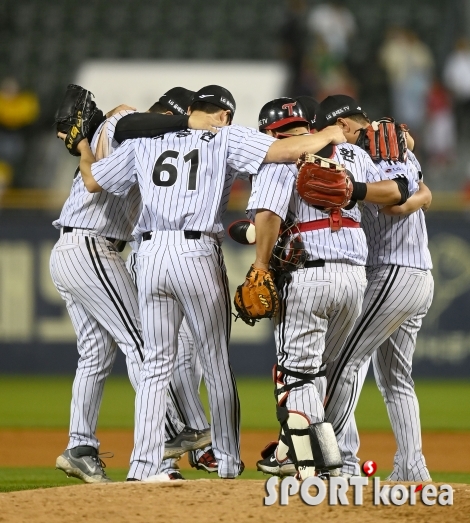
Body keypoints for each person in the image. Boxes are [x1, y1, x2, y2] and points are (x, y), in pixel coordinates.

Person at [70, 85, 355, 481]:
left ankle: (144, 466)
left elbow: (92, 181)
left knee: (155, 366)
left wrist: (83, 143)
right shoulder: (225, 135)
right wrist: (328, 135)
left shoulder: (146, 140)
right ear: (224, 115)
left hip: (148, 254)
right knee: (216, 363)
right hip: (197, 252)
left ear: (191, 109)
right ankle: (227, 462)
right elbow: (285, 152)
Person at [241, 96, 410, 480]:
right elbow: (399, 190)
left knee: (295, 376)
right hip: (354, 280)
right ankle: (304, 454)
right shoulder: (350, 153)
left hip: (309, 277)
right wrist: (357, 190)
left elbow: (267, 215)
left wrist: (261, 264)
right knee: (320, 373)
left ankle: (316, 465)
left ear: (272, 132)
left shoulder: (280, 156)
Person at [51, 90, 214, 484]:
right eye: (181, 117)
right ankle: (166, 443)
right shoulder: (126, 122)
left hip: (77, 248)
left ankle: (80, 446)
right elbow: (133, 122)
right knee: (145, 342)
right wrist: (183, 122)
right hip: (91, 246)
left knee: (95, 355)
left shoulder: (139, 147)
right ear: (172, 113)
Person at [316, 95, 434, 482]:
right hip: (418, 276)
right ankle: (412, 468)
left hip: (392, 272)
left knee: (343, 361)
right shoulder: (396, 145)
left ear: (347, 125)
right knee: (395, 378)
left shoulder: (372, 153)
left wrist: (357, 190)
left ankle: (338, 461)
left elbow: (397, 205)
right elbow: (425, 194)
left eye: (338, 128)